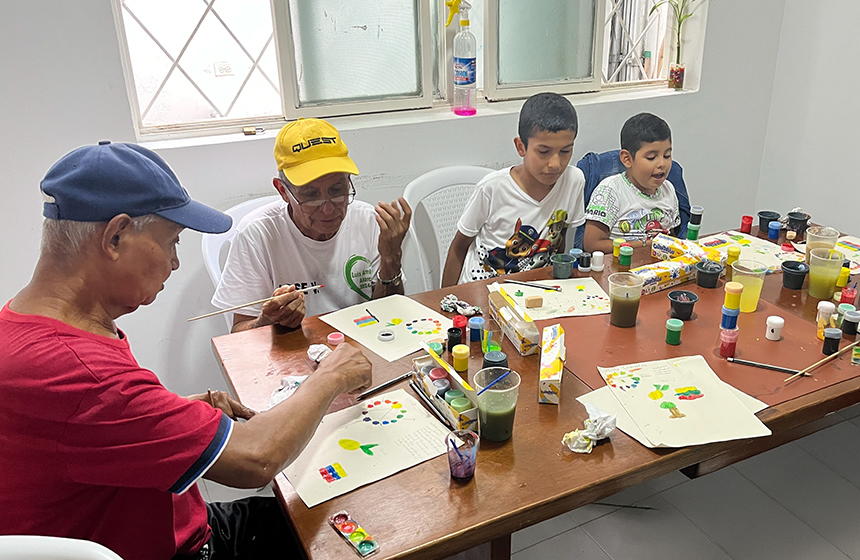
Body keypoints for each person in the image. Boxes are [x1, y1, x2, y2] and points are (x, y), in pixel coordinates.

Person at [0, 141, 373, 560]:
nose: (175, 263)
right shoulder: (83, 374)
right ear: (115, 237)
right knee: (351, 532)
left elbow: (86, 428)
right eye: (172, 241)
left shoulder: (24, 323)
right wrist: (332, 375)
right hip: (178, 549)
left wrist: (168, 413)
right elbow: (256, 460)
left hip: (156, 518)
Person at [212, 118, 412, 332]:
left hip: (359, 343)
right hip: (292, 355)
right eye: (311, 195)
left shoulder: (368, 221)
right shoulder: (258, 233)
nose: (328, 209)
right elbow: (239, 333)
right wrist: (268, 320)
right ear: (283, 191)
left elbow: (389, 315)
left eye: (337, 191)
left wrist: (392, 259)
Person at [441, 93, 586, 286]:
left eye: (566, 151)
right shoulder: (492, 189)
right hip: (483, 292)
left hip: (536, 290)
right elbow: (458, 249)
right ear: (521, 147)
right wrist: (446, 302)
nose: (555, 164)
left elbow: (558, 240)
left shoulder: (574, 181)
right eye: (543, 152)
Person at [583, 112, 680, 254]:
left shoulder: (668, 189)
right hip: (619, 269)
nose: (662, 164)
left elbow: (671, 238)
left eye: (667, 156)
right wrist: (644, 245)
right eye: (651, 157)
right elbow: (592, 245)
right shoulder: (610, 191)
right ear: (627, 159)